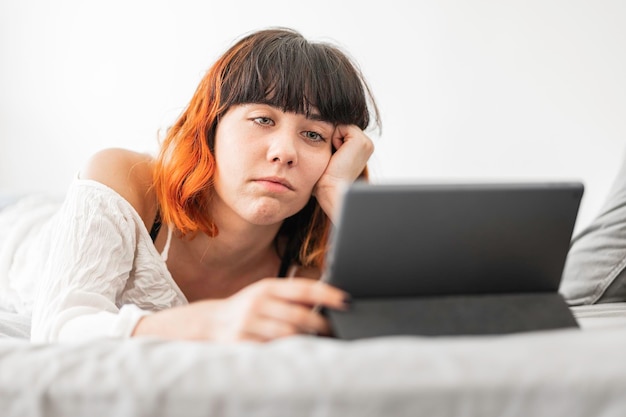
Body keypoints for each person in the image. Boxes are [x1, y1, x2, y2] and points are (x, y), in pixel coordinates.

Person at [0, 27, 381, 343]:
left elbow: (407, 324)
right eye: (263, 120)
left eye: (313, 135)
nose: (284, 152)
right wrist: (213, 322)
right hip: (18, 229)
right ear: (211, 126)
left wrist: (340, 196)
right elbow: (58, 328)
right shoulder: (122, 178)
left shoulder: (311, 259)